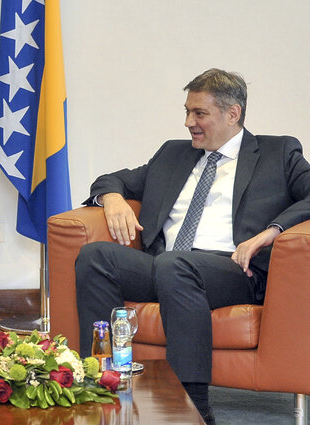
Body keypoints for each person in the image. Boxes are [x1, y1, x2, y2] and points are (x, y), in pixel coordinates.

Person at [74, 69, 310, 425]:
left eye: (199, 113)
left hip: (232, 269)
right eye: (187, 112)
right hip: (166, 266)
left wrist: (271, 231)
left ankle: (193, 407)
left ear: (233, 114)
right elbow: (113, 179)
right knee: (95, 256)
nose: (189, 122)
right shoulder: (174, 154)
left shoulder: (278, 152)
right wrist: (112, 198)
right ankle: (102, 380)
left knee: (175, 265)